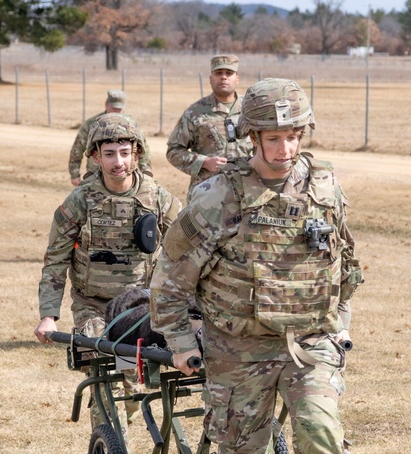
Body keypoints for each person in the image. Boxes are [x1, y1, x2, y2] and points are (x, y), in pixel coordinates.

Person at [150, 79, 364, 454]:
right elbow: (171, 276)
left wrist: (340, 326)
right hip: (237, 348)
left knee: (324, 440)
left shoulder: (325, 187)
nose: (285, 149)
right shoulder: (217, 197)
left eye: (293, 136)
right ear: (252, 137)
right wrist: (180, 340)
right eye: (272, 138)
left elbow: (345, 264)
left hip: (308, 340)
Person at [35, 113, 181, 427]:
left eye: (125, 153)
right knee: (103, 371)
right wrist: (48, 315)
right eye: (110, 154)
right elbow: (55, 261)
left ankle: (119, 421)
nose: (118, 162)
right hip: (93, 305)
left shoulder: (157, 198)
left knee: (129, 377)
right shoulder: (80, 202)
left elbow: (188, 244)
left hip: (137, 307)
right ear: (96, 157)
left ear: (137, 154)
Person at [166, 54, 253, 203]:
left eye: (229, 73)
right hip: (207, 196)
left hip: (247, 193)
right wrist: (204, 162)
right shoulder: (195, 112)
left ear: (237, 79)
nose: (224, 77)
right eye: (219, 73)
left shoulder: (251, 109)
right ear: (211, 79)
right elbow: (174, 151)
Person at [68, 90, 152, 186]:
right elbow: (77, 149)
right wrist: (74, 173)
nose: (116, 111)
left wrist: (146, 171)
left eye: (119, 109)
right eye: (114, 108)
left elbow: (142, 148)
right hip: (96, 176)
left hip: (122, 176)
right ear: (106, 105)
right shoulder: (92, 124)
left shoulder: (130, 125)